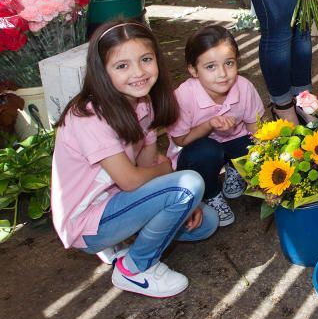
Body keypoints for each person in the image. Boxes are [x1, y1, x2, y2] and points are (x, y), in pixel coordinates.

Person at [50, 21, 219, 298]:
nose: (139, 73)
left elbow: (147, 160)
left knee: (206, 222)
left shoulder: (143, 102)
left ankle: (124, 241)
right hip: (88, 223)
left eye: (145, 60)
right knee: (187, 184)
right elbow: (131, 180)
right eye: (122, 66)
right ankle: (134, 268)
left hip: (119, 203)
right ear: (102, 72)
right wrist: (172, 177)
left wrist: (188, 201)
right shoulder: (89, 117)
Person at [169, 25, 264, 227]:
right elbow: (180, 140)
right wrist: (209, 125)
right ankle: (211, 193)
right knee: (207, 151)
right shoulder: (184, 96)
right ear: (193, 70)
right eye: (210, 66)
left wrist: (261, 164)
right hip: (195, 153)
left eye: (229, 63)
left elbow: (256, 128)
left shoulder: (243, 87)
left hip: (233, 142)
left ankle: (235, 169)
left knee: (251, 141)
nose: (222, 74)